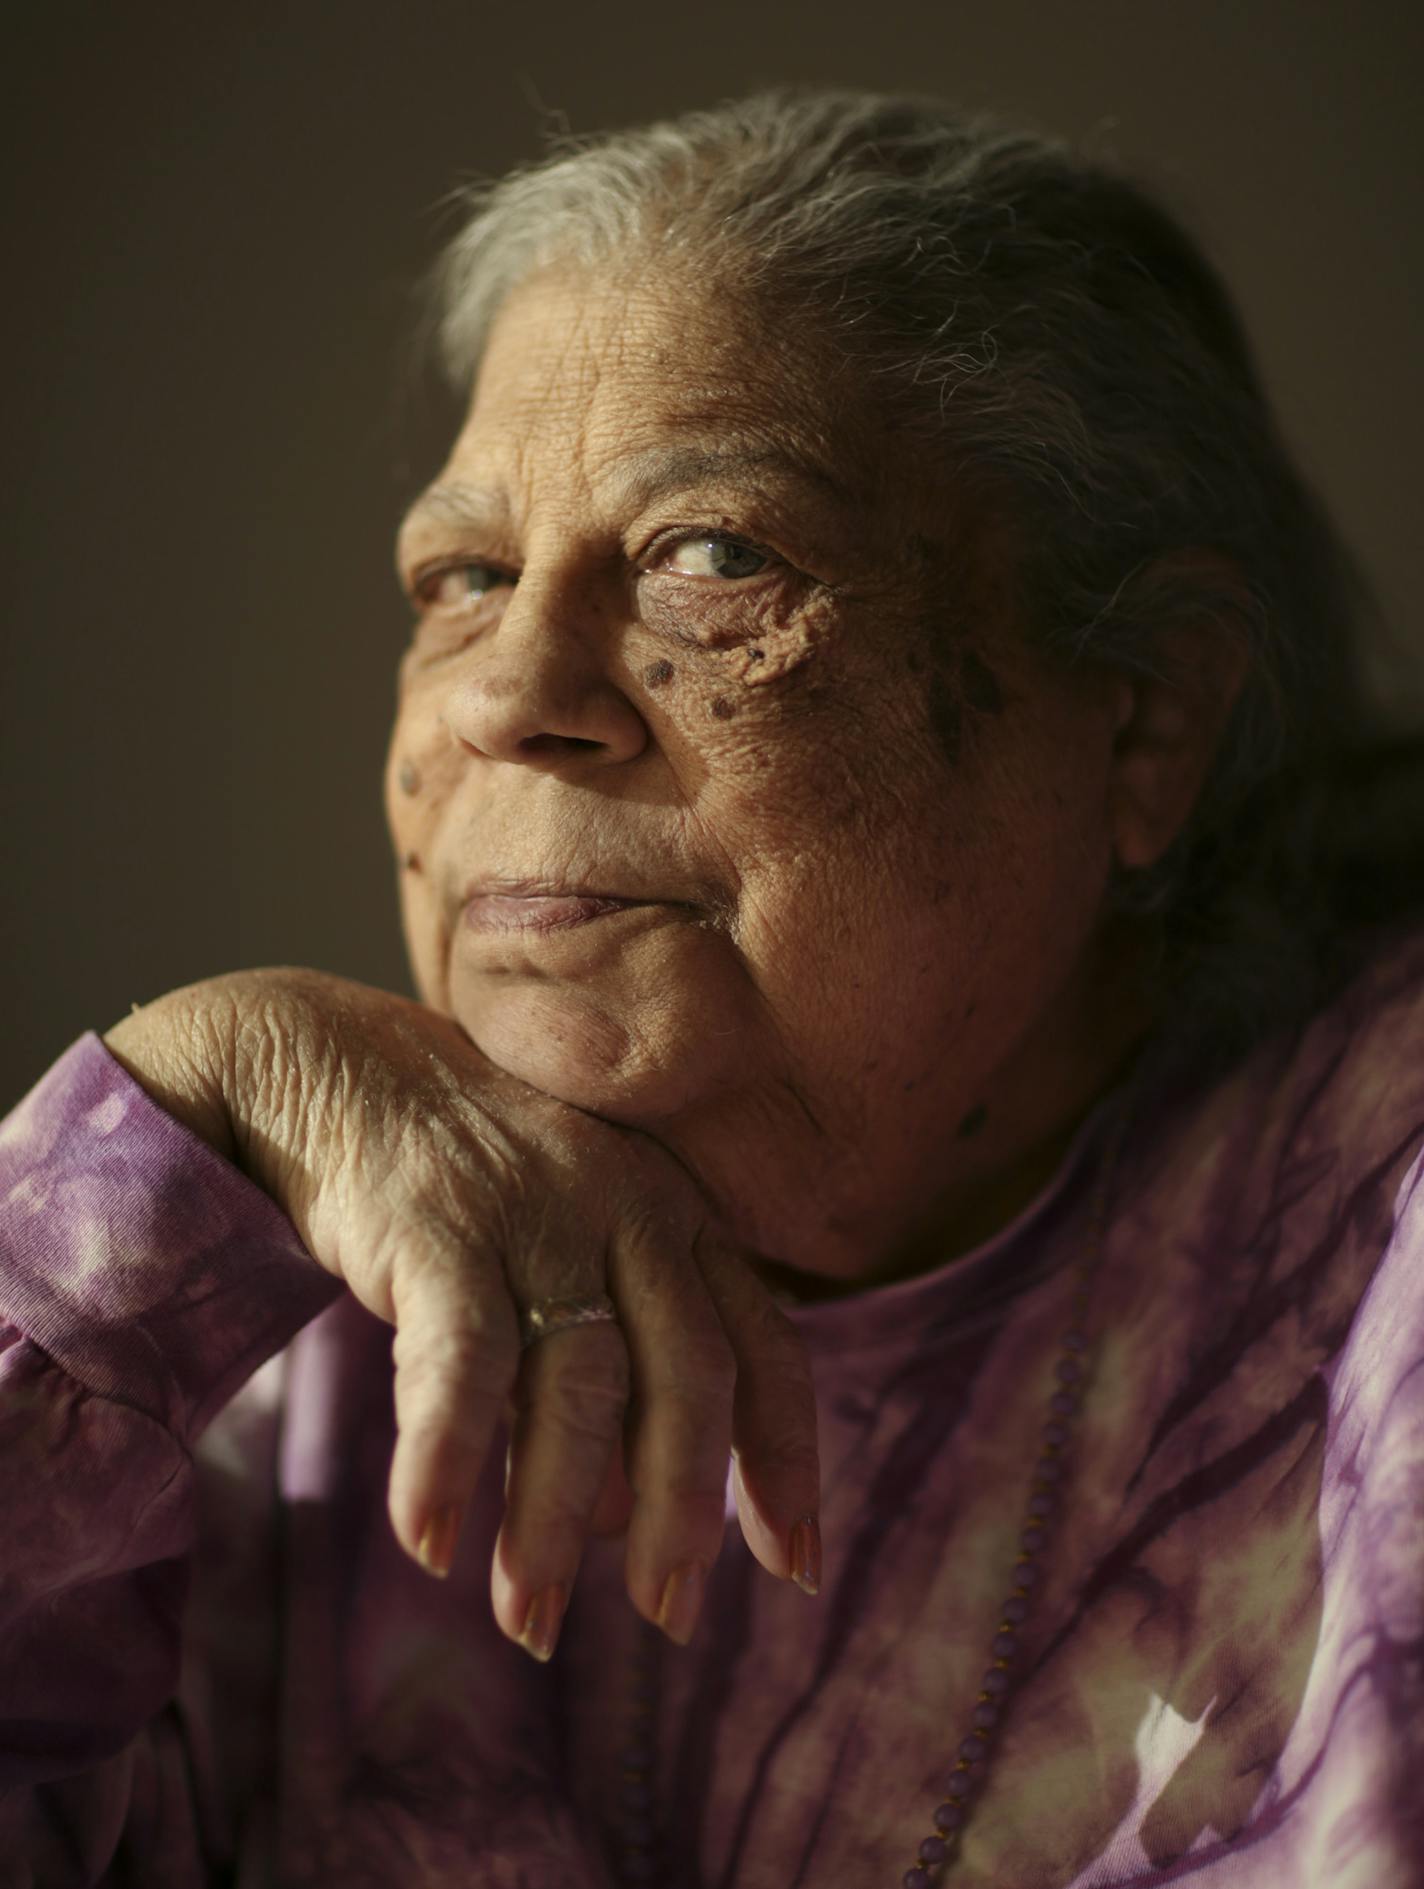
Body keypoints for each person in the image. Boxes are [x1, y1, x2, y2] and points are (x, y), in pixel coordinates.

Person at [2, 86, 1422, 1889]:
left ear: (1140, 721)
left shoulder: (1379, 1258)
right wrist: (183, 1112)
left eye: (711, 554)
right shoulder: (319, 1345)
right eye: (463, 575)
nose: (506, 691)